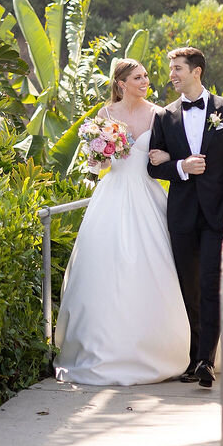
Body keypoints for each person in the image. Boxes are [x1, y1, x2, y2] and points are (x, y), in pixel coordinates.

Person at [54, 58, 191, 386]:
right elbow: (94, 164)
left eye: (145, 76)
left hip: (146, 193)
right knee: (104, 266)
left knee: (153, 265)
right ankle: (102, 349)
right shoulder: (105, 115)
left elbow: (172, 153)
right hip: (111, 195)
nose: (145, 81)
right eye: (137, 77)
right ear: (121, 84)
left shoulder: (159, 114)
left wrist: (165, 158)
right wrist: (100, 152)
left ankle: (163, 349)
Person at [146, 46, 223, 389]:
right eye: (171, 68)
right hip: (182, 215)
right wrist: (181, 167)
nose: (171, 74)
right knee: (188, 286)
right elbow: (151, 166)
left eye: (177, 68)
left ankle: (205, 359)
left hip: (217, 214)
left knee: (210, 283)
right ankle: (191, 357)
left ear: (196, 71)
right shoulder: (165, 116)